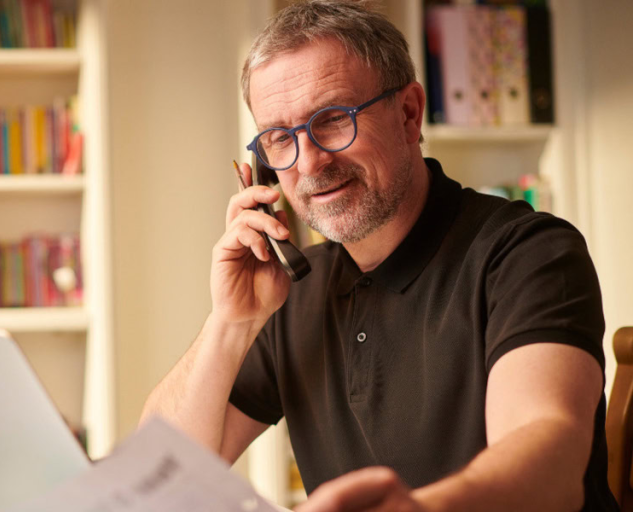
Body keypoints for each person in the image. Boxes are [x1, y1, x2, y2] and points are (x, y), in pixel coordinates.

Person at [140, 1, 618, 510]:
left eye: (333, 120)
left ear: (409, 114)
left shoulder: (526, 253)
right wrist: (231, 321)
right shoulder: (292, 292)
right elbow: (154, 476)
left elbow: (551, 467)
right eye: (280, 138)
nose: (309, 162)